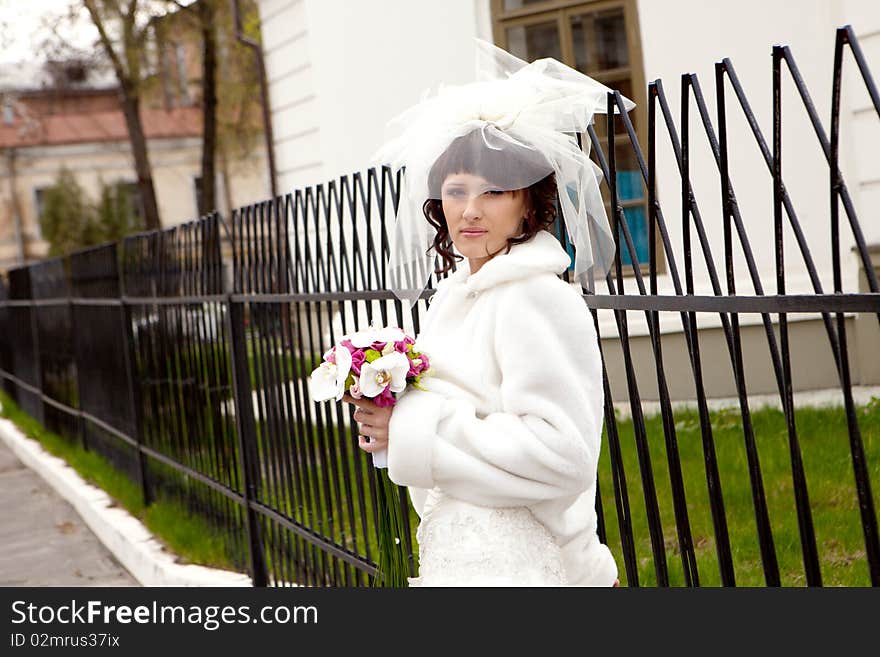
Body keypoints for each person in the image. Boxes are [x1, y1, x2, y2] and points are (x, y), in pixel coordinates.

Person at [343, 38, 632, 586]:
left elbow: (561, 455)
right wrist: (386, 420)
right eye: (456, 191)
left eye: (495, 191)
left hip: (529, 562)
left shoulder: (536, 297)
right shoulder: (453, 298)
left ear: (529, 202)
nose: (471, 210)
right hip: (461, 553)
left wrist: (410, 426)